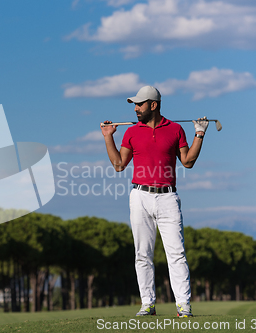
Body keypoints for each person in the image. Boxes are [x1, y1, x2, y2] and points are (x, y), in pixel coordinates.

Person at [100, 85, 208, 317]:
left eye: (140, 104)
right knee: (142, 254)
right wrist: (108, 137)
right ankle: (147, 304)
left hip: (168, 197)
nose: (136, 108)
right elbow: (119, 165)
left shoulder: (176, 129)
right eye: (135, 105)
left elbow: (187, 161)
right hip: (139, 196)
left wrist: (199, 134)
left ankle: (183, 306)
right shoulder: (131, 132)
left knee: (176, 253)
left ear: (154, 105)